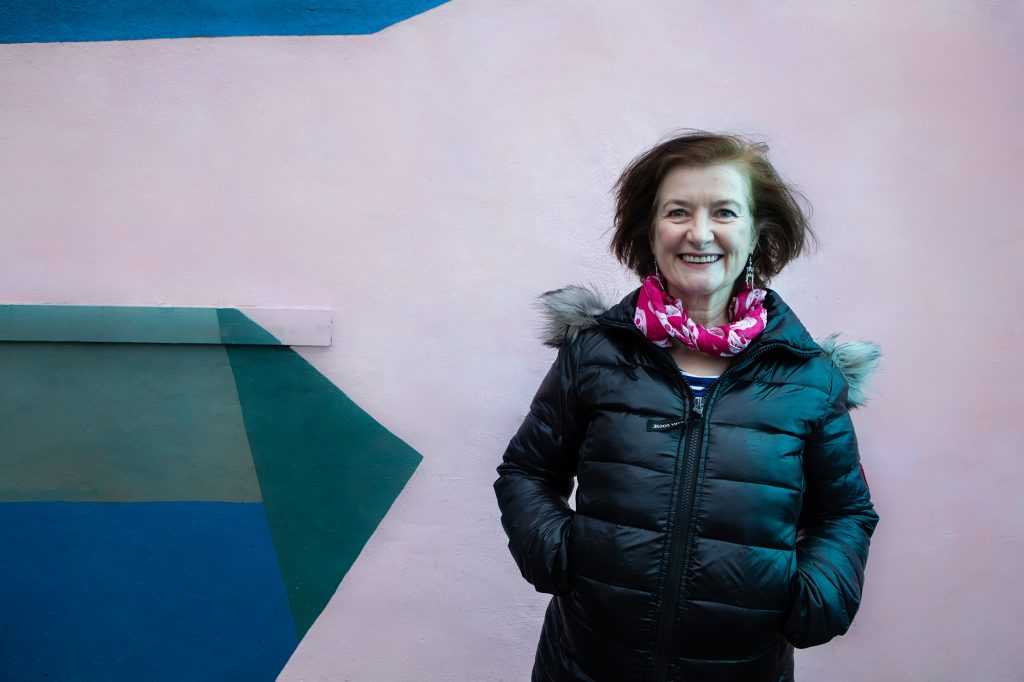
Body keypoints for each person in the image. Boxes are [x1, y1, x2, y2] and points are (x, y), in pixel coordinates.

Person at [493, 131, 881, 682]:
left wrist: (814, 596)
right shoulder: (596, 354)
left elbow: (845, 512)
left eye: (724, 211)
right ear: (650, 231)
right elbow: (527, 472)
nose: (700, 233)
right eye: (678, 211)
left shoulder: (809, 379)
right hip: (586, 662)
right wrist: (561, 556)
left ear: (755, 232)